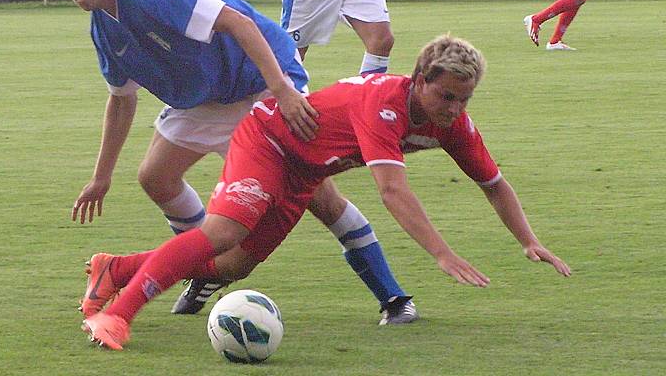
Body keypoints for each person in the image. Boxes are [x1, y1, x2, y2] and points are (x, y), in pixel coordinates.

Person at [79, 35, 571, 350]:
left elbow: (494, 184)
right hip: (267, 140)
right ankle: (118, 316)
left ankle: (116, 269)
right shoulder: (384, 103)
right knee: (224, 231)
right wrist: (442, 254)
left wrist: (527, 239)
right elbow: (392, 190)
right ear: (419, 80)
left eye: (464, 99)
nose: (454, 108)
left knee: (233, 266)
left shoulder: (453, 124)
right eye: (446, 96)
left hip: (302, 174)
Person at [46, 0, 413, 325]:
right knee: (156, 176)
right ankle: (206, 267)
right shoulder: (103, 27)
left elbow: (240, 23)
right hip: (208, 97)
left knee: (318, 196)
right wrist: (101, 177)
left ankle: (393, 297)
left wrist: (284, 91)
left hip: (261, 82)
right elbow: (120, 101)